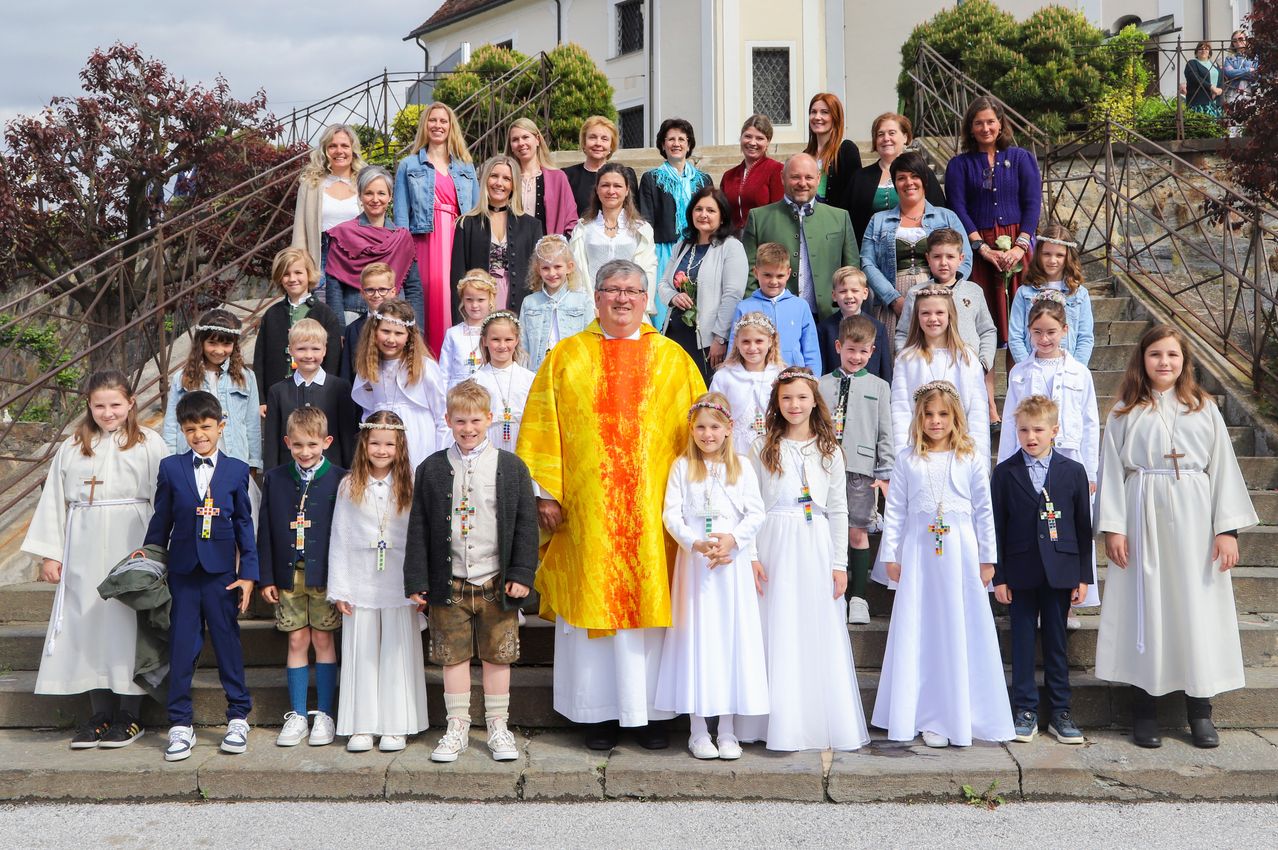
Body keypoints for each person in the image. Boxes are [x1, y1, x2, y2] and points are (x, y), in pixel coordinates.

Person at [517, 258, 706, 751]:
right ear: (596, 297)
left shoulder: (673, 359)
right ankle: (596, 714)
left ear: (648, 300)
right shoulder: (566, 356)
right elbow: (541, 425)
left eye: (632, 291)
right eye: (612, 290)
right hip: (589, 511)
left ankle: (653, 715)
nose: (622, 299)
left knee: (651, 606)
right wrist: (546, 491)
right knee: (593, 602)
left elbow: (702, 437)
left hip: (653, 513)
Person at [1095, 325, 1257, 749]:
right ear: (1142, 360)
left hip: (1195, 519)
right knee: (1145, 606)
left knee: (1194, 607)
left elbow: (1222, 468)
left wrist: (1227, 530)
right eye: (1155, 355)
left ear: (1185, 362)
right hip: (1141, 512)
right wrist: (1114, 526)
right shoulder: (1124, 412)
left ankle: (1199, 710)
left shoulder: (1203, 408)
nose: (1164, 362)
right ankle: (1144, 710)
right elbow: (1111, 471)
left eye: (1172, 355)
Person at [22, 370, 165, 749]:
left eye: (115, 404)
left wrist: (158, 552)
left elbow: (163, 499)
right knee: (89, 626)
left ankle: (130, 717)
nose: (107, 412)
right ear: (88, 405)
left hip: (131, 539)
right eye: (99, 405)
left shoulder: (149, 443)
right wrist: (51, 554)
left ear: (131, 403)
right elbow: (54, 501)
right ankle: (99, 715)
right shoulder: (72, 446)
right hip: (83, 546)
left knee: (125, 625)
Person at [404, 381, 539, 763]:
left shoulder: (511, 467)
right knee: (453, 656)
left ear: (490, 419)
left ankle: (498, 725)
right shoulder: (431, 468)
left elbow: (526, 524)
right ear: (447, 420)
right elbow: (419, 526)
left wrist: (522, 573)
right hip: (450, 582)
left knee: (498, 656)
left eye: (475, 420)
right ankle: (457, 725)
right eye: (460, 421)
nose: (468, 428)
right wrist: (417, 579)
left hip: (496, 580)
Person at [736, 368, 869, 752]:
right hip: (773, 539)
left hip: (815, 543)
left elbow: (840, 509)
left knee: (812, 628)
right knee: (773, 626)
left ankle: (811, 719)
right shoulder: (762, 446)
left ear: (815, 401)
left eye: (801, 397)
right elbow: (752, 504)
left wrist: (839, 563)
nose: (795, 405)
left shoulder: (829, 450)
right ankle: (769, 722)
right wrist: (753, 556)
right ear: (777, 404)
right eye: (786, 398)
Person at [873, 381, 1012, 748]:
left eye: (943, 415)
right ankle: (925, 712)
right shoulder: (907, 459)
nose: (936, 421)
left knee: (959, 627)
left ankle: (962, 711)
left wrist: (987, 558)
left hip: (961, 555)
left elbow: (984, 511)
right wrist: (891, 554)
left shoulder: (970, 457)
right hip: (920, 555)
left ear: (955, 418)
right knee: (924, 628)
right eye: (929, 414)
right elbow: (897, 509)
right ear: (920, 418)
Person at [653, 392, 769, 760]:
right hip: (696, 567)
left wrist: (732, 540)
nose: (707, 434)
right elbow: (671, 515)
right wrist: (695, 543)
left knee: (729, 640)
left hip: (730, 568)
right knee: (698, 641)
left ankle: (729, 729)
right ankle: (699, 728)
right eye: (701, 427)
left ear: (728, 429)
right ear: (693, 430)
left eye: (714, 427)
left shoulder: (743, 468)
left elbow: (756, 513)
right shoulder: (682, 467)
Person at [143, 390, 257, 761]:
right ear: (182, 430)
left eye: (206, 427)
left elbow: (244, 525)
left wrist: (248, 575)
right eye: (190, 429)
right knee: (181, 647)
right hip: (182, 574)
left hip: (222, 574)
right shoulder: (172, 468)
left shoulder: (237, 470)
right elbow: (161, 521)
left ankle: (238, 715)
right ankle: (179, 723)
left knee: (227, 645)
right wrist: (148, 562)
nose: (199, 435)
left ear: (221, 427)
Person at [326, 411, 428, 753]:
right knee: (363, 651)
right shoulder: (349, 485)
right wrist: (339, 587)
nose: (382, 450)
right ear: (364, 444)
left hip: (399, 578)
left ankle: (396, 723)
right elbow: (339, 535)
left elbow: (420, 535)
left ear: (400, 448)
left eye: (389, 444)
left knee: (397, 651)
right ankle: (362, 724)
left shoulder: (411, 484)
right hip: (360, 578)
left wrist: (419, 581)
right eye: (375, 443)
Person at [992, 395, 1090, 745]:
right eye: (1023, 430)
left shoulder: (1073, 471)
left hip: (1061, 570)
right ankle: (1025, 709)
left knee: (1056, 641)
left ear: (1054, 431)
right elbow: (997, 528)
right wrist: (999, 576)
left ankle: (1061, 711)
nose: (1030, 436)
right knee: (1020, 641)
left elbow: (1082, 526)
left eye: (1038, 429)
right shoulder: (1004, 473)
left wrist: (1083, 576)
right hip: (1019, 571)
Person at [256, 407, 346, 748]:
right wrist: (266, 578)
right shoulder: (276, 479)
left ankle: (323, 713)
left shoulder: (340, 478)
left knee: (323, 641)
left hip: (325, 574)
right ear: (286, 443)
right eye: (297, 445)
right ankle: (296, 714)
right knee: (296, 641)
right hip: (288, 574)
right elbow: (265, 530)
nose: (305, 452)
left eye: (311, 444)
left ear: (326, 441)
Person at [945, 96, 1041, 344]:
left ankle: (1016, 382)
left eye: (990, 122)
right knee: (982, 329)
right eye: (978, 123)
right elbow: (958, 207)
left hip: (1017, 246)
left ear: (1000, 124)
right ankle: (984, 382)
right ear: (970, 128)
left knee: (1019, 325)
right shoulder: (959, 165)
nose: (985, 128)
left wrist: (1020, 247)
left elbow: (1032, 203)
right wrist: (982, 248)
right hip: (979, 248)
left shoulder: (1022, 158)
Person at [818, 315, 893, 626]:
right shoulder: (821, 384)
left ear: (872, 351)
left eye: (863, 352)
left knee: (857, 531)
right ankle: (829, 592)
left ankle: (859, 597)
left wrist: (885, 471)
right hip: (824, 468)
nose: (856, 357)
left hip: (861, 469)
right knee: (826, 531)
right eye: (850, 350)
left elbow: (885, 432)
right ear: (839, 347)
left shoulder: (879, 386)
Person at [393, 102, 478, 356]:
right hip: (424, 239)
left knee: (457, 294)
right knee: (428, 298)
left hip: (457, 237)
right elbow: (401, 215)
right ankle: (427, 359)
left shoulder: (466, 166)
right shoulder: (409, 165)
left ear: (451, 127)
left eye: (443, 121)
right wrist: (405, 252)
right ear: (425, 126)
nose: (438, 125)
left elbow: (474, 212)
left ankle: (458, 358)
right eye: (433, 120)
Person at [861, 151, 971, 341]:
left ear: (924, 180)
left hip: (940, 299)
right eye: (901, 178)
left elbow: (965, 258)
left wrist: (943, 293)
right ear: (895, 184)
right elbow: (867, 262)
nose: (909, 182)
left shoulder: (947, 217)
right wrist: (893, 299)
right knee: (897, 357)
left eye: (914, 176)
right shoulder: (878, 220)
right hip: (892, 298)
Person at [896, 228, 996, 425]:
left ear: (961, 258)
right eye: (937, 256)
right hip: (928, 371)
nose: (943, 262)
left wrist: (983, 363)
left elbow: (987, 330)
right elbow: (902, 333)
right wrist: (908, 361)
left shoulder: (973, 291)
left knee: (967, 422)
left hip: (967, 371)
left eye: (950, 256)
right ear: (928, 258)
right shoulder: (917, 293)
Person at [741, 153, 859, 321]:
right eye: (795, 177)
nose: (802, 183)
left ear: (818, 178)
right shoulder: (759, 218)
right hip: (774, 317)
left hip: (828, 318)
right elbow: (749, 272)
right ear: (782, 177)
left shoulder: (840, 218)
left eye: (809, 177)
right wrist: (757, 312)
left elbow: (852, 269)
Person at [656, 186, 748, 381]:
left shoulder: (731, 247)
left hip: (708, 340)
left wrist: (720, 338)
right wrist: (673, 296)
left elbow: (732, 295)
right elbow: (664, 283)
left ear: (722, 216)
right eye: (698, 209)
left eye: (711, 210)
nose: (703, 215)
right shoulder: (682, 245)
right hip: (676, 334)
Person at [890, 287, 989, 461]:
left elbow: (978, 413)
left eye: (939, 312)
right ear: (917, 317)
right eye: (926, 313)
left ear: (950, 315)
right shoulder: (906, 359)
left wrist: (979, 461)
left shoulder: (967, 358)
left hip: (960, 453)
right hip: (919, 452)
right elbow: (900, 411)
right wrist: (903, 458)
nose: (933, 318)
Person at [324, 165, 426, 332]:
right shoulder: (343, 235)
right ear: (360, 196)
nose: (375, 199)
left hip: (395, 319)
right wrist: (339, 330)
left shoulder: (402, 239)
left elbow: (413, 288)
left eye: (381, 193)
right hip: (353, 317)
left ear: (390, 196)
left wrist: (417, 330)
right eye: (369, 193)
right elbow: (333, 286)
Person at [351, 299, 449, 469]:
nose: (391, 339)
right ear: (374, 331)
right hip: (383, 440)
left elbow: (442, 415)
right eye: (385, 331)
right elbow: (368, 411)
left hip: (418, 436)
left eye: (398, 333)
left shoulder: (425, 366)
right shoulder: (369, 366)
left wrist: (440, 456)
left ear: (409, 336)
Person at [162, 309, 261, 475]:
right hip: (191, 459)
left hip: (233, 456)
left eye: (226, 344)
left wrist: (253, 463)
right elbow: (172, 424)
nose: (219, 350)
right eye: (212, 343)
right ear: (201, 342)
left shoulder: (246, 377)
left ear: (235, 345)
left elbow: (252, 424)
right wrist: (171, 460)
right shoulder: (183, 378)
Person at [639, 117, 714, 329]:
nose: (676, 143)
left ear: (689, 144)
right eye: (670, 139)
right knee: (665, 311)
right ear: (663, 144)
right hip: (664, 251)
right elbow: (646, 220)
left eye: (682, 139)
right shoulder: (651, 178)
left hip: (699, 249)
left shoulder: (703, 179)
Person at [450, 154, 544, 316]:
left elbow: (536, 276)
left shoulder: (531, 226)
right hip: (478, 306)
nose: (499, 183)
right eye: (494, 176)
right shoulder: (466, 224)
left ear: (514, 184)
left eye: (507, 178)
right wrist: (461, 319)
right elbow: (458, 278)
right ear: (485, 179)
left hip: (520, 305)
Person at [253, 247, 342, 412]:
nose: (292, 279)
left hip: (316, 397)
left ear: (309, 274)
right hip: (279, 398)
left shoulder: (325, 314)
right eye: (286, 274)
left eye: (298, 273)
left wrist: (328, 394)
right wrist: (261, 398)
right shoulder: (271, 314)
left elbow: (333, 360)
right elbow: (260, 360)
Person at [262, 318, 358, 470]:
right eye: (301, 349)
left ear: (325, 350)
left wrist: (351, 473)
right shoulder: (277, 391)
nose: (308, 355)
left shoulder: (340, 387)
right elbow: (271, 443)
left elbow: (347, 437)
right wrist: (270, 478)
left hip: (332, 474)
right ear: (291, 349)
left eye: (315, 349)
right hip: (289, 475)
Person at [569, 162, 658, 317]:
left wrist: (638, 306)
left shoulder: (641, 229)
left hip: (630, 308)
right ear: (597, 189)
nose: (611, 191)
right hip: (592, 310)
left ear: (627, 190)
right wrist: (590, 307)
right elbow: (577, 271)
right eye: (605, 185)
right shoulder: (583, 229)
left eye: (617, 186)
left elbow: (648, 270)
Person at [848, 112, 945, 246]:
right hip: (872, 251)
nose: (886, 138)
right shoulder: (861, 177)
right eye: (880, 134)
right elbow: (851, 222)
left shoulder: (923, 172)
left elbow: (938, 211)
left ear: (905, 137)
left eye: (892, 133)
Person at [1008, 223, 1094, 367]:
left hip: (1068, 369)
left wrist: (1075, 369)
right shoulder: (1024, 292)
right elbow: (1015, 336)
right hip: (1033, 367)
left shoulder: (1080, 294)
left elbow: (1085, 337)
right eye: (1047, 254)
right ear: (1038, 255)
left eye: (1059, 255)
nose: (1052, 260)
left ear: (1068, 257)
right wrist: (1027, 367)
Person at [292, 123, 365, 293]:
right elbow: (300, 232)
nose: (339, 151)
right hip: (321, 261)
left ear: (353, 150)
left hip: (357, 263)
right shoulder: (311, 185)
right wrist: (298, 268)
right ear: (325, 150)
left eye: (345, 146)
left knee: (356, 316)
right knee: (322, 315)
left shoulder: (364, 183)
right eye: (333, 146)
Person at [727, 242, 820, 370]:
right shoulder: (744, 307)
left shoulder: (801, 306)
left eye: (780, 276)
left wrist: (813, 379)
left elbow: (811, 349)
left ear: (788, 273)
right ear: (756, 272)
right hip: (755, 377)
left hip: (794, 378)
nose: (774, 281)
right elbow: (734, 347)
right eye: (767, 275)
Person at [709, 312, 785, 452]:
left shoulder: (780, 376)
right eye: (746, 342)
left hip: (772, 447)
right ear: (737, 342)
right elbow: (713, 415)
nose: (752, 348)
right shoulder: (724, 377)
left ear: (770, 341)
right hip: (736, 449)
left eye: (759, 341)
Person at [520, 235, 594, 372]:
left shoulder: (583, 301)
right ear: (538, 269)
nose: (552, 273)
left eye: (557, 266)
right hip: (537, 373)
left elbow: (591, 342)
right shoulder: (529, 303)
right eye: (546, 268)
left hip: (572, 372)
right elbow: (523, 345)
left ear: (569, 267)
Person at [470, 311, 535, 452]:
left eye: (508, 340)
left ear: (516, 340)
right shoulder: (477, 380)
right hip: (488, 441)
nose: (502, 345)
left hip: (521, 441)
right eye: (495, 339)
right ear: (485, 341)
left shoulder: (529, 378)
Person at [817, 267, 892, 383]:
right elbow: (823, 368)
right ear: (834, 295)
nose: (849, 296)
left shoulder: (878, 327)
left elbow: (885, 369)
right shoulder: (825, 328)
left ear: (865, 293)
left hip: (869, 392)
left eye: (854, 290)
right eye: (843, 291)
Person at [507, 117, 578, 237]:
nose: (521, 143)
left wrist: (558, 246)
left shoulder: (558, 178)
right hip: (512, 251)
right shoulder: (506, 178)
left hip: (548, 251)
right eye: (515, 139)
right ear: (511, 146)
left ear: (537, 140)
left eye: (525, 137)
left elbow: (571, 219)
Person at [719, 114, 785, 234]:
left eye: (759, 138)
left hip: (763, 239)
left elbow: (779, 213)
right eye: (748, 136)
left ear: (768, 142)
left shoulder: (776, 170)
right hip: (733, 240)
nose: (752, 142)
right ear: (741, 138)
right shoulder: (728, 176)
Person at [563, 115, 639, 218]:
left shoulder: (627, 174)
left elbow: (634, 213)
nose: (598, 143)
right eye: (592, 137)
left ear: (611, 146)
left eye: (604, 139)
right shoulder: (566, 176)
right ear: (584, 142)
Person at [804, 93, 863, 216]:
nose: (817, 117)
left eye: (824, 112)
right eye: (813, 112)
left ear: (835, 117)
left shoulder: (847, 150)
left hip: (835, 222)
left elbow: (854, 193)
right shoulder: (805, 155)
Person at [338, 263, 396, 383]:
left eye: (382, 289)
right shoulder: (352, 329)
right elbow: (346, 373)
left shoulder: (403, 326)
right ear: (362, 293)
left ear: (393, 292)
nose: (376, 295)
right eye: (370, 290)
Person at [441, 271, 497, 389]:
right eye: (469, 300)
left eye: (480, 300)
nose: (474, 305)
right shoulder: (453, 333)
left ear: (490, 300)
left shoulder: (495, 331)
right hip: (458, 394)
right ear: (463, 300)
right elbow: (444, 372)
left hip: (487, 392)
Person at [1222, 30, 1257, 134]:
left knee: (1249, 120)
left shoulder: (1254, 57)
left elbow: (1256, 75)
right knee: (1232, 121)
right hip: (1233, 93)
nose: (1238, 42)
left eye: (1241, 39)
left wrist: (1237, 73)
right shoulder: (1230, 59)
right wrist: (1247, 70)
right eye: (1234, 40)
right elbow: (1229, 73)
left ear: (1246, 40)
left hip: (1250, 92)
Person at [1182, 41, 1224, 116]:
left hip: (1216, 103)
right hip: (1199, 103)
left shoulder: (1215, 65)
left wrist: (1220, 89)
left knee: (1217, 126)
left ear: (1209, 53)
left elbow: (1221, 80)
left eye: (1206, 49)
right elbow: (1195, 78)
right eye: (1200, 49)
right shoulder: (1192, 63)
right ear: (1196, 52)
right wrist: (1211, 87)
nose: (1203, 50)